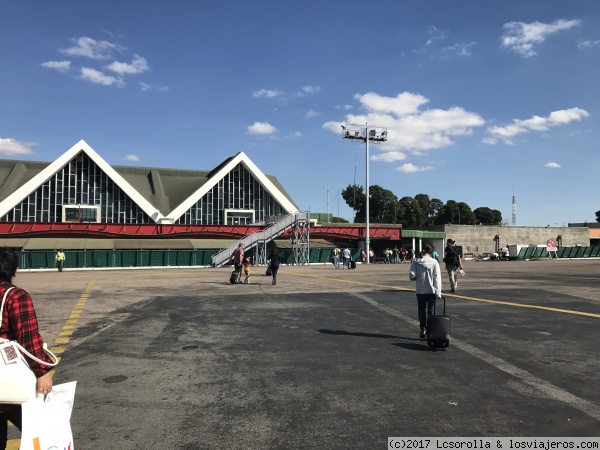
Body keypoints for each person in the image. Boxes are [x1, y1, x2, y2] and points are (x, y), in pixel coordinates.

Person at [0, 248, 54, 449]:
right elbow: (28, 339)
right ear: (14, 271)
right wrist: (42, 373)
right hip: (10, 378)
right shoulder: (15, 296)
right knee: (44, 432)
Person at [409, 244, 442, 339]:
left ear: (423, 251)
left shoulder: (416, 261)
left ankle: (423, 328)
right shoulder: (435, 262)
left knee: (421, 310)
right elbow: (437, 278)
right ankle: (431, 329)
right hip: (431, 290)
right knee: (431, 311)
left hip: (420, 290)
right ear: (432, 252)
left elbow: (412, 276)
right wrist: (438, 291)